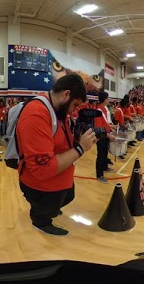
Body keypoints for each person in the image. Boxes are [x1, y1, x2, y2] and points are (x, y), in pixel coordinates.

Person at [16, 73, 97, 236]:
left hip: (59, 181)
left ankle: (47, 211)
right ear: (66, 94)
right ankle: (40, 222)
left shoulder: (56, 109)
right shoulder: (36, 114)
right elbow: (43, 169)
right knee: (46, 210)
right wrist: (80, 148)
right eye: (75, 105)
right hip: (41, 186)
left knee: (68, 197)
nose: (74, 111)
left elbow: (60, 142)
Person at [93, 91, 118, 183]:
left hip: (106, 135)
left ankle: (105, 167)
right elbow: (99, 127)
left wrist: (112, 127)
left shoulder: (103, 109)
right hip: (102, 136)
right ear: (104, 99)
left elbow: (105, 123)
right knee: (101, 155)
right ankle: (99, 175)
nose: (108, 100)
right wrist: (108, 135)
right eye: (107, 98)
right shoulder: (98, 111)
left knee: (105, 153)